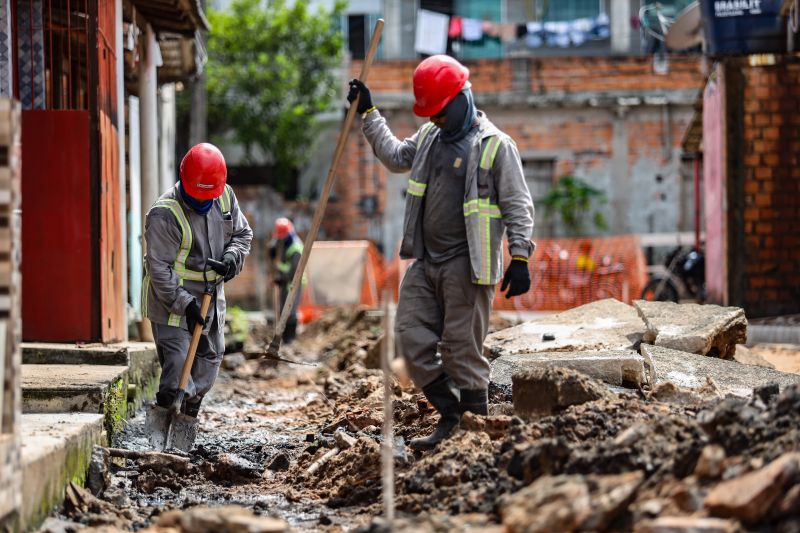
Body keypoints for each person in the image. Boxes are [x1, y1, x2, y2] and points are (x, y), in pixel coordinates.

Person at [347, 55, 535, 450]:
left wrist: (520, 257)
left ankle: (474, 433)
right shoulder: (430, 137)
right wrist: (369, 113)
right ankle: (453, 416)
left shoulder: (494, 146)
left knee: (461, 349)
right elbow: (397, 157)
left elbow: (518, 204)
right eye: (428, 113)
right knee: (409, 340)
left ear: (461, 98)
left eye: (439, 111)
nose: (434, 119)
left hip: (468, 264)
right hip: (426, 260)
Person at [143, 143, 252, 418]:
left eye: (208, 198)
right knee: (178, 363)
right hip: (171, 300)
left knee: (210, 359)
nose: (202, 203)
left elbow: (243, 235)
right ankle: (169, 407)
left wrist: (231, 258)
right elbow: (159, 269)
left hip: (210, 298)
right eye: (196, 197)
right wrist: (185, 304)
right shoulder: (164, 214)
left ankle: (189, 410)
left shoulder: (225, 197)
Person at [269, 217, 304, 344]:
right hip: (285, 281)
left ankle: (290, 339)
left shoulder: (296, 248)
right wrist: (272, 248)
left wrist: (280, 278)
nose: (280, 238)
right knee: (283, 308)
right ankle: (283, 338)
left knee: (291, 309)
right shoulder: (285, 241)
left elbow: (294, 272)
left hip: (294, 283)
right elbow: (277, 242)